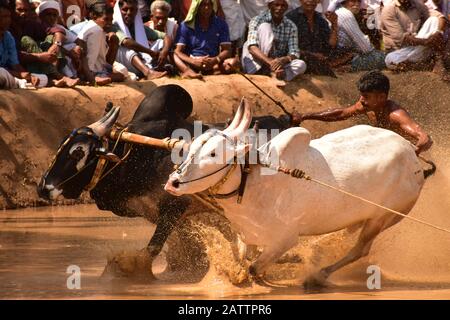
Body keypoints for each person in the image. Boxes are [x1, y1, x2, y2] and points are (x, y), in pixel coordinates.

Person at [291, 70, 433, 154]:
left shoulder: (395, 115)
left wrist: (416, 151)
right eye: (361, 95)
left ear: (382, 97)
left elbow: (425, 139)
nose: (361, 100)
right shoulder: (366, 106)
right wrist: (305, 116)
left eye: (366, 96)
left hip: (409, 158)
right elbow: (340, 114)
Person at [241, 0, 306, 86]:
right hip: (256, 63)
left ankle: (277, 74)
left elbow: (294, 52)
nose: (279, 8)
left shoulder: (291, 26)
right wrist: (270, 63)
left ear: (286, 8)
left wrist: (283, 60)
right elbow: (252, 48)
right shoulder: (257, 20)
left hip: (276, 65)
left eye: (283, 5)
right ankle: (269, 72)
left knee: (301, 65)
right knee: (265, 27)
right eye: (276, 5)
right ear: (269, 6)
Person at [173, 0, 239, 79]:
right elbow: (178, 51)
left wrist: (215, 60)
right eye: (203, 5)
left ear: (213, 6)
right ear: (197, 7)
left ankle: (208, 73)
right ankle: (188, 72)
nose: (207, 8)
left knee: (233, 63)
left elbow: (227, 50)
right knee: (173, 55)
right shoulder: (185, 25)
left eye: (209, 5)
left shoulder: (221, 24)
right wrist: (193, 61)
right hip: (191, 63)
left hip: (212, 63)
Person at [112, 0, 168, 79]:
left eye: (132, 10)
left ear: (136, 12)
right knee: (126, 49)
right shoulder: (113, 26)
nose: (129, 13)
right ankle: (148, 73)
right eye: (125, 10)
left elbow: (166, 36)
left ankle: (165, 67)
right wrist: (150, 52)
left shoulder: (139, 27)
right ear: (119, 10)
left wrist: (164, 52)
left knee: (160, 42)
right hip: (122, 64)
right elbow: (127, 42)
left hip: (140, 62)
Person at [286, 0, 340, 75]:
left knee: (352, 53)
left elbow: (331, 45)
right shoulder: (291, 18)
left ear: (318, 1)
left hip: (321, 57)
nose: (310, 1)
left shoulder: (320, 19)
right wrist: (312, 55)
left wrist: (334, 24)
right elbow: (288, 48)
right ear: (300, 1)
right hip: (301, 57)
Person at [77, 2, 125, 85]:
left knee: (122, 73)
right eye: (106, 19)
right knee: (120, 76)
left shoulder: (95, 28)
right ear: (94, 16)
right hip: (90, 72)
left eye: (111, 20)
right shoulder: (96, 31)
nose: (109, 23)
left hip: (95, 69)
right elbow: (90, 59)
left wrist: (114, 43)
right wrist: (90, 76)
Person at [335, 0, 386, 71]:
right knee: (381, 58)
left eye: (359, 1)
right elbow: (366, 48)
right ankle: (350, 67)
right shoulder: (346, 15)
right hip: (341, 56)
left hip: (343, 53)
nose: (356, 4)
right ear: (344, 2)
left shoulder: (341, 12)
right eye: (352, 1)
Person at [0, 1, 40, 88]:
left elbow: (15, 64)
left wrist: (28, 76)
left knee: (41, 78)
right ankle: (19, 83)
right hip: (3, 74)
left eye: (9, 16)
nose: (8, 20)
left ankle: (21, 82)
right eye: (4, 17)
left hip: (10, 75)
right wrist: (20, 75)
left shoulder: (8, 36)